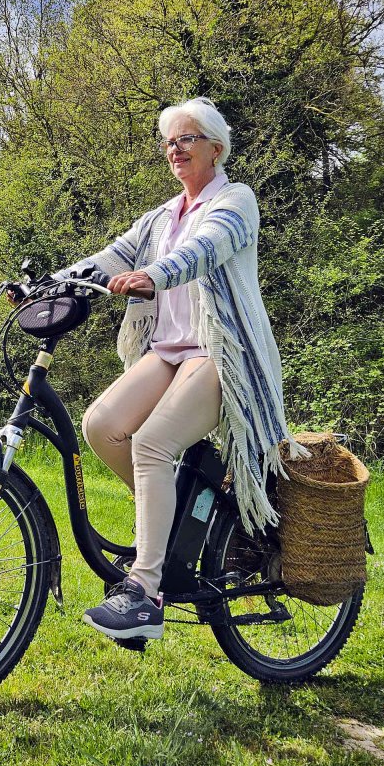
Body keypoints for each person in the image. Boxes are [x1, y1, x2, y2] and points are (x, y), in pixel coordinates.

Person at [55, 97, 308, 643]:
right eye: (169, 140)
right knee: (101, 425)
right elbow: (112, 256)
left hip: (221, 355)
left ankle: (145, 593)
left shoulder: (235, 200)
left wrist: (154, 275)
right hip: (167, 351)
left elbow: (206, 250)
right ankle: (170, 527)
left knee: (150, 444)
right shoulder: (162, 216)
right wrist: (49, 284)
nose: (176, 148)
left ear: (216, 147)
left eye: (188, 138)